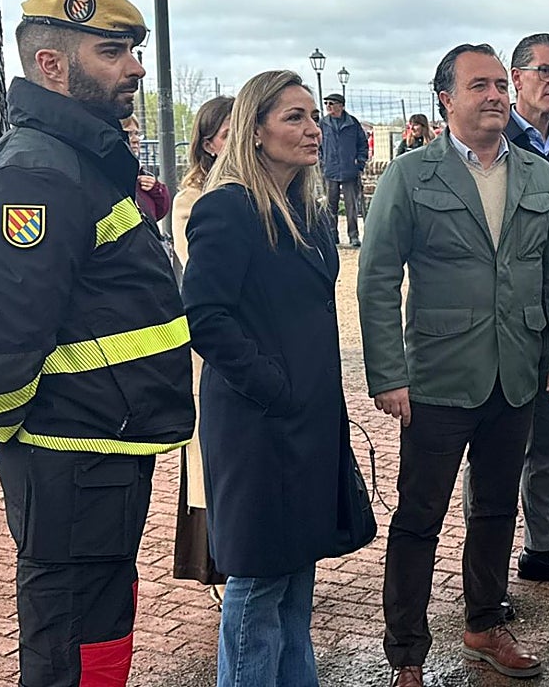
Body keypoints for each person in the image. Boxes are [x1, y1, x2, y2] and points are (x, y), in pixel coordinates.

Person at [0, 0, 194, 686]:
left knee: (100, 612)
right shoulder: (41, 169)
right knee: (72, 630)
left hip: (96, 439)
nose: (136, 69)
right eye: (113, 52)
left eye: (134, 52)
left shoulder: (75, 158)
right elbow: (7, 325)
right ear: (51, 66)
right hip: (71, 448)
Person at [359, 43, 549, 686]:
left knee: (493, 511)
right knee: (419, 517)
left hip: (516, 374)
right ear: (446, 99)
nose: (494, 96)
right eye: (478, 85)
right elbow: (377, 277)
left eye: (498, 85)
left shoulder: (537, 175)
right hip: (435, 377)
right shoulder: (410, 174)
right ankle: (406, 652)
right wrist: (389, 374)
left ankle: (485, 623)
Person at [183, 69, 373, 686]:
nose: (313, 129)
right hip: (256, 423)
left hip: (308, 417)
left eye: (314, 116)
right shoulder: (227, 209)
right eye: (294, 117)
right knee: (258, 583)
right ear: (255, 130)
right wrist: (274, 386)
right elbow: (205, 319)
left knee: (296, 580)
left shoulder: (308, 212)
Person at [476, 32, 549, 601]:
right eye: (546, 71)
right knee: (494, 454)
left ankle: (540, 550)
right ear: (516, 76)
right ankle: (485, 579)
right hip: (497, 326)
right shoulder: (491, 146)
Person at [171, 95, 233, 594]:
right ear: (210, 143)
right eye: (228, 133)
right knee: (213, 456)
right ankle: (217, 561)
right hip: (215, 349)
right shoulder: (193, 198)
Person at [318, 91, 368, 246]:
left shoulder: (353, 123)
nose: (328, 106)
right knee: (330, 205)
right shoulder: (323, 123)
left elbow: (363, 144)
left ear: (341, 106)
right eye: (326, 103)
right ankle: (333, 235)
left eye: (331, 103)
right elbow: (317, 144)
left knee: (351, 205)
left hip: (349, 170)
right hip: (330, 170)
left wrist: (359, 163)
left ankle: (353, 235)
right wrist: (321, 161)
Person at [122, 114, 171, 221]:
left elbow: (160, 211)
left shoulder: (141, 173)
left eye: (137, 134)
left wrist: (155, 189)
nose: (135, 140)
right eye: (129, 134)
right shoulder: (110, 175)